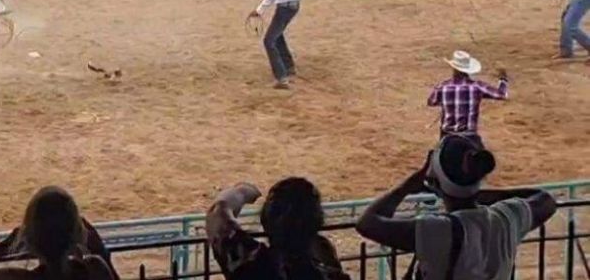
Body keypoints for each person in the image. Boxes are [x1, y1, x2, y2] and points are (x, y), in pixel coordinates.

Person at [356, 136, 557, 280]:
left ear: (434, 180)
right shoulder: (507, 217)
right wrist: (477, 192)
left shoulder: (438, 230)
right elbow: (545, 199)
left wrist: (408, 185)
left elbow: (367, 223)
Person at [0, 186, 118, 280]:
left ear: (29, 239)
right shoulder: (96, 269)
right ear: (79, 235)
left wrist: (2, 248)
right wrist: (101, 252)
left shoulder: (18, 278)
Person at [206, 179, 350, 280]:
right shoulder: (330, 271)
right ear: (319, 223)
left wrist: (242, 192)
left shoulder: (253, 265)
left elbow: (218, 215)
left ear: (264, 220)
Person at [427, 51, 509, 144]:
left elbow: (431, 101)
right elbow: (502, 94)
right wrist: (503, 78)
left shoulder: (442, 86)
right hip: (470, 136)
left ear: (453, 68)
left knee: (433, 157)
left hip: (447, 135)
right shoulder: (477, 86)